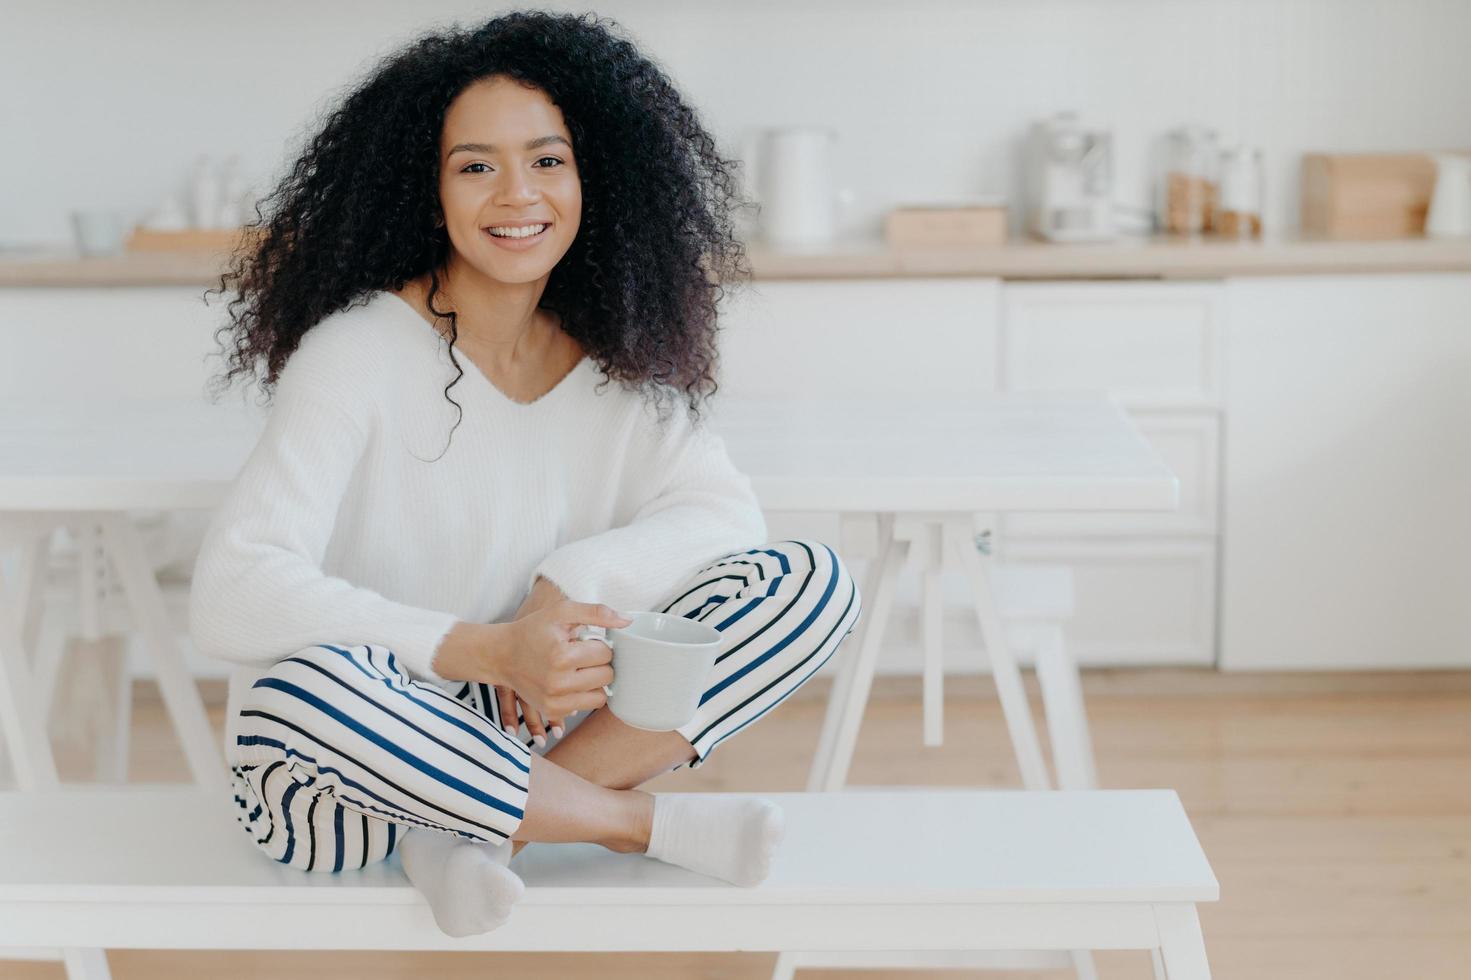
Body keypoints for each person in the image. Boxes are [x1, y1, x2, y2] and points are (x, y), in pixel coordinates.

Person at [188, 10, 861, 937]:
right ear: (429, 193)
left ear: (595, 179)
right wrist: (488, 649)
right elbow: (230, 594)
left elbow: (723, 518)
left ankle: (468, 833)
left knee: (809, 582)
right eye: (476, 166)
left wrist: (564, 587)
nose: (518, 194)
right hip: (344, 771)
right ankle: (625, 822)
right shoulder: (354, 352)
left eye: (548, 160)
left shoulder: (617, 367)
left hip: (520, 726)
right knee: (306, 687)